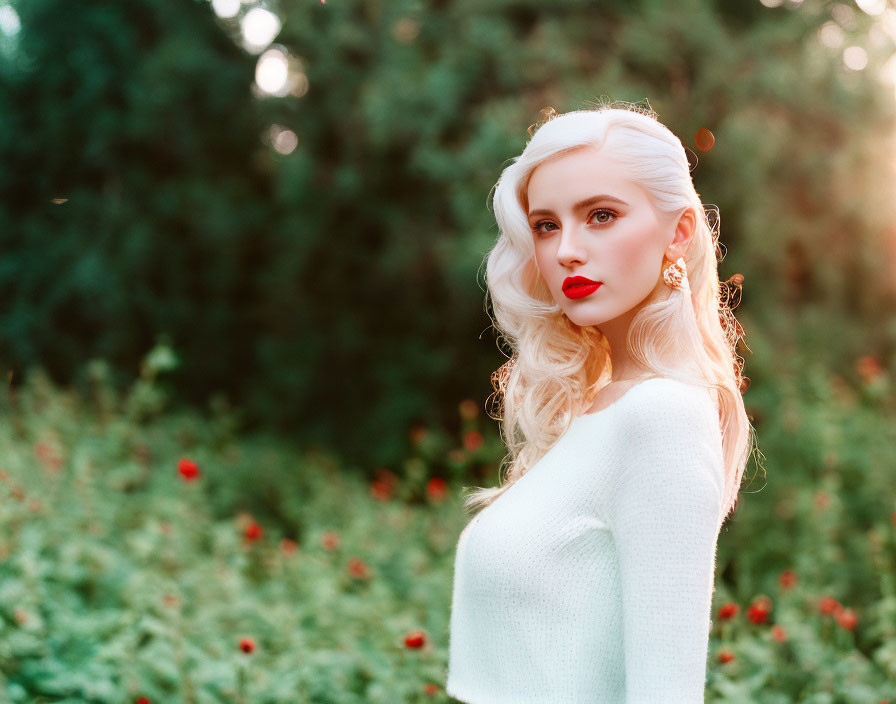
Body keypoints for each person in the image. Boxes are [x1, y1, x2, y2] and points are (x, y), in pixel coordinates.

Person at [445, 101, 758, 703]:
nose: (565, 250)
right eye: (545, 224)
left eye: (601, 215)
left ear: (680, 233)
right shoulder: (593, 406)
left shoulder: (663, 415)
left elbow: (666, 694)